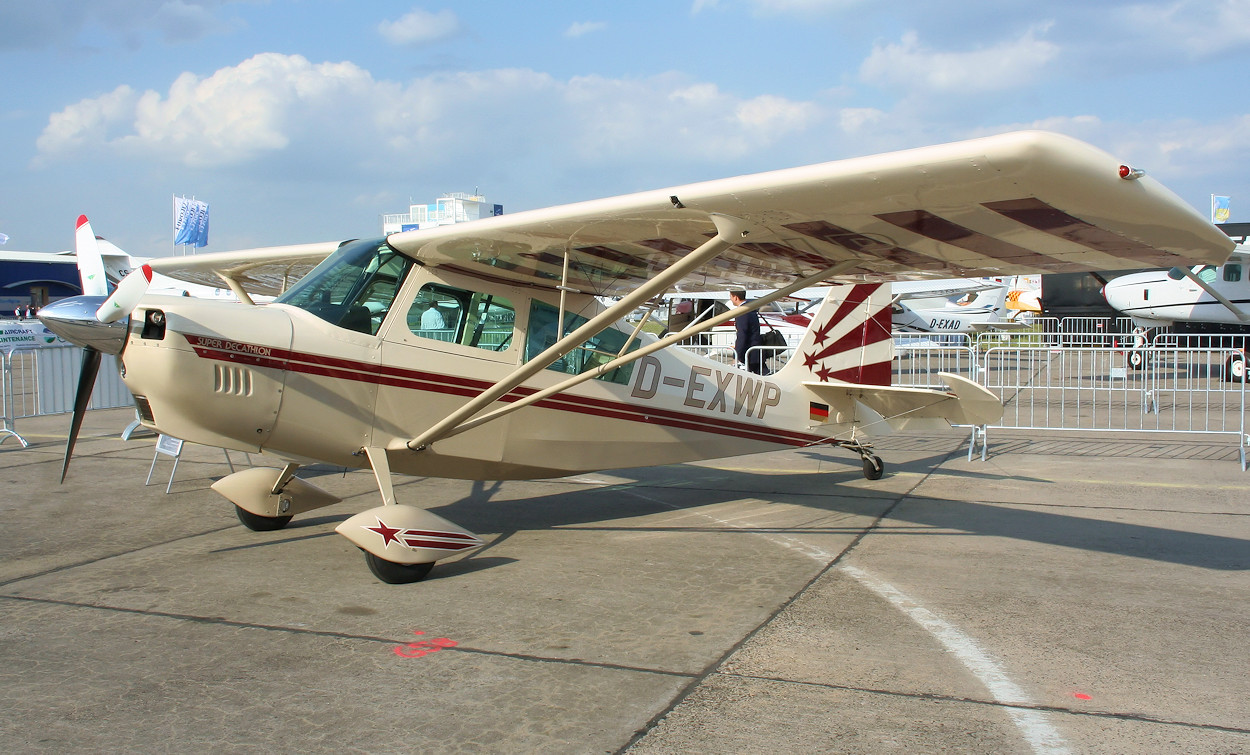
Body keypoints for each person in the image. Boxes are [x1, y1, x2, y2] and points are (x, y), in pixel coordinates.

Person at [728, 289, 767, 374]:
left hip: (749, 353)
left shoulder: (742, 312)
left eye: (730, 296)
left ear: (735, 297)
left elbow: (742, 334)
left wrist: (737, 355)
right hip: (755, 351)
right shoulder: (750, 308)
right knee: (763, 374)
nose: (730, 299)